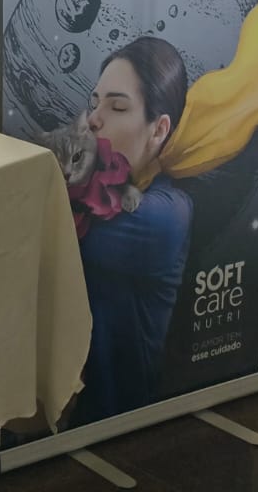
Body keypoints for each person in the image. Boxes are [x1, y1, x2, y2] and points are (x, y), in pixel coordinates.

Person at [73, 35, 193, 425]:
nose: (94, 119)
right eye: (94, 102)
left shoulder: (166, 214)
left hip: (116, 425)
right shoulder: (97, 186)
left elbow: (55, 231)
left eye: (118, 106)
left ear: (159, 129)